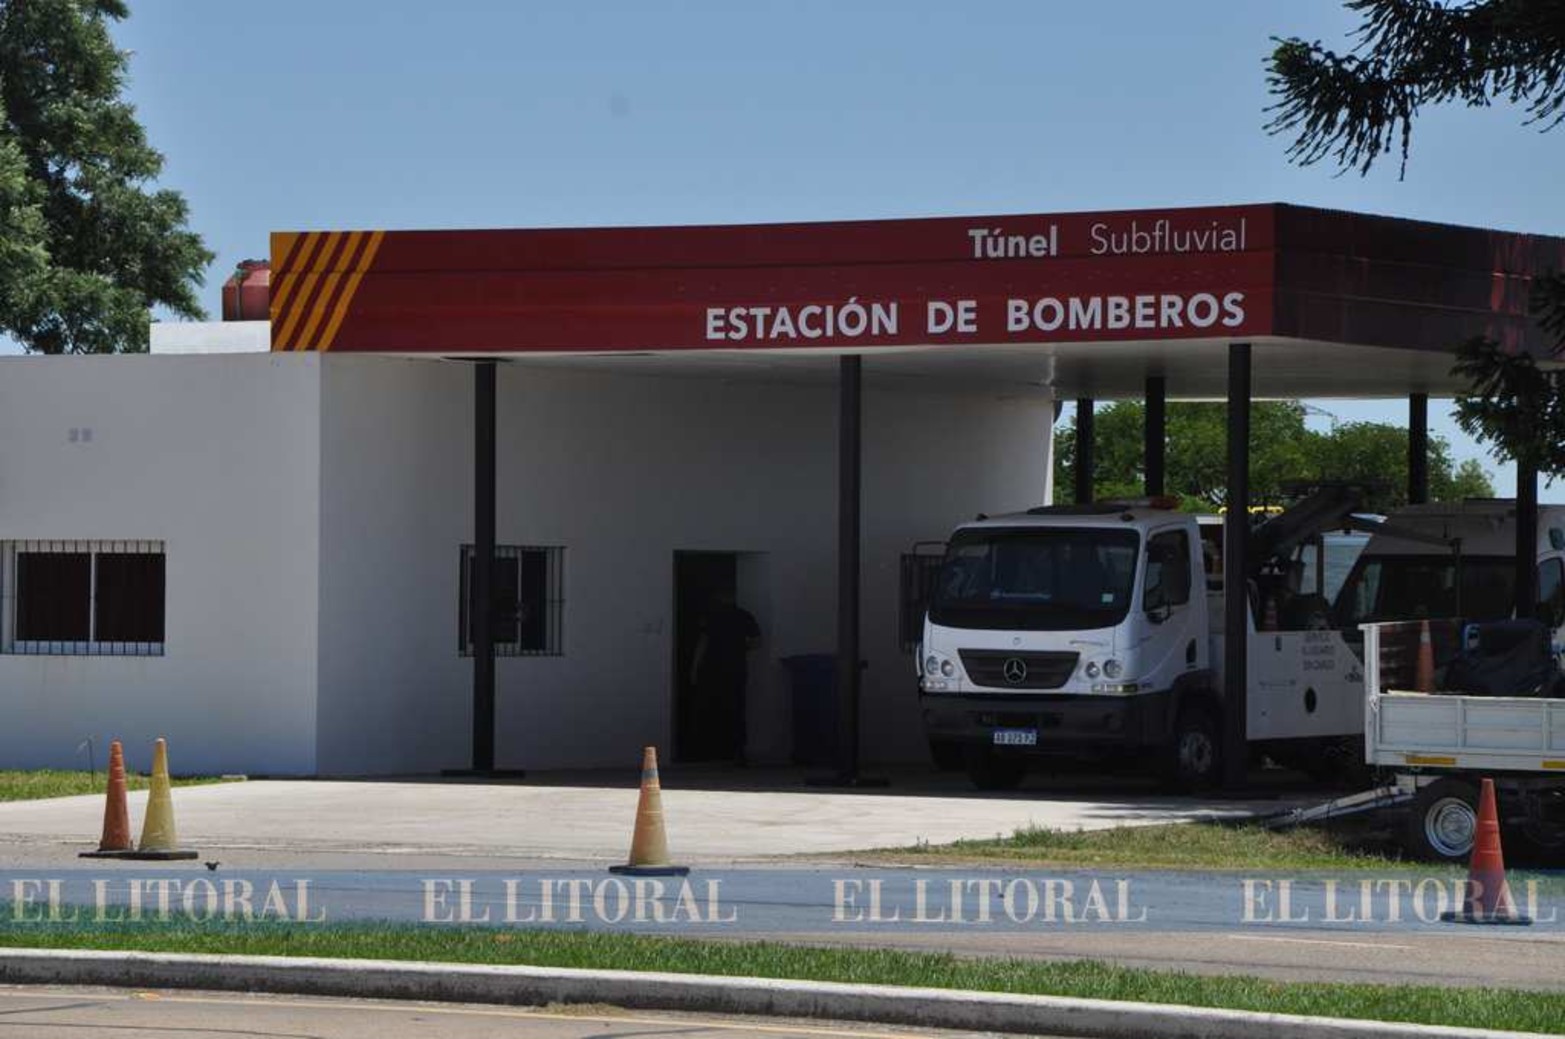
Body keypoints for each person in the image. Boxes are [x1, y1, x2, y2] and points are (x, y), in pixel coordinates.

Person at [691, 590, 761, 765]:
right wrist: (741, 649)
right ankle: (737, 752)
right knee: (736, 708)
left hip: (712, 669)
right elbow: (757, 641)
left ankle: (708, 750)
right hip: (736, 669)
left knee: (710, 708)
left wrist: (694, 668)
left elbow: (703, 643)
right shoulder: (744, 616)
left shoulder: (712, 616)